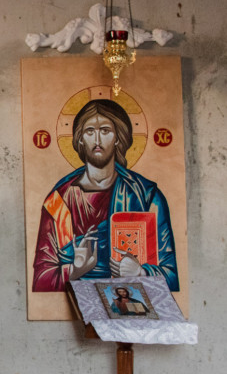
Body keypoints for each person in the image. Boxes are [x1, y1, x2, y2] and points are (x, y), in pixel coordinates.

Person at [32, 98, 178, 292]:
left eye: (105, 131)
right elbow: (41, 277)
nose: (98, 140)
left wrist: (141, 273)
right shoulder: (59, 201)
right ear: (80, 138)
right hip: (80, 304)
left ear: (118, 137)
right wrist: (75, 269)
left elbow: (171, 276)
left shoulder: (146, 196)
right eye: (90, 131)